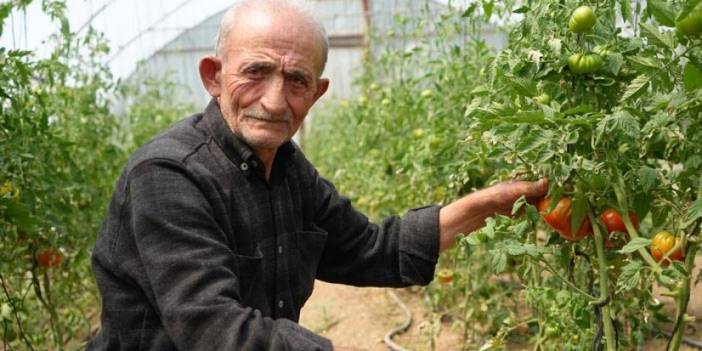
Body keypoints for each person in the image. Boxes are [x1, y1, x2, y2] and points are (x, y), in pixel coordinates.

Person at [88, 1, 548, 350]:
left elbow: (371, 249)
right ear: (214, 76)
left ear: (317, 92)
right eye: (256, 72)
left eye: (296, 81)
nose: (274, 100)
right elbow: (214, 329)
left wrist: (487, 205)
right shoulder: (168, 176)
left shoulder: (289, 169)